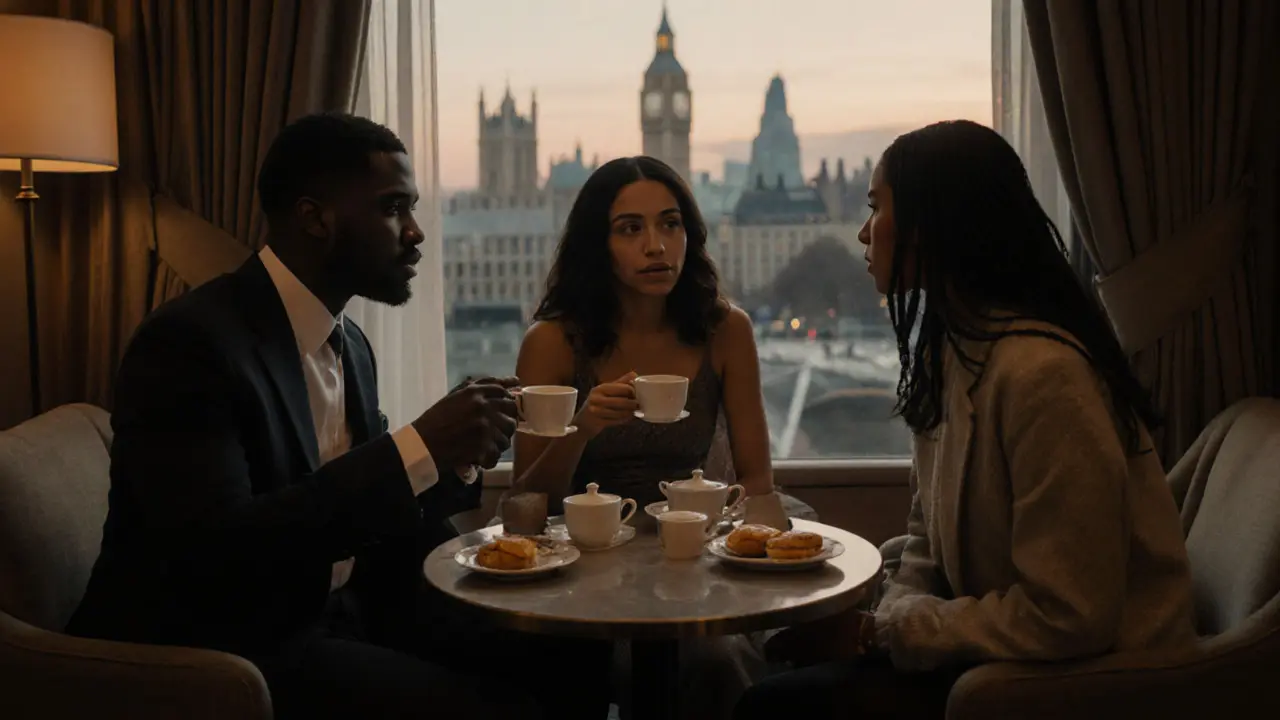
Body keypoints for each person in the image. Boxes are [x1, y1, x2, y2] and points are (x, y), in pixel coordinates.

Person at [68, 112, 611, 719]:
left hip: (345, 612)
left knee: (577, 653)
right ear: (315, 218)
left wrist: (452, 464)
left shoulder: (349, 344)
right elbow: (219, 552)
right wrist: (419, 448)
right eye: (392, 208)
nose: (416, 233)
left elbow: (374, 514)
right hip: (231, 644)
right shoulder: (188, 345)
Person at [734, 120, 1198, 719]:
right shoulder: (954, 353)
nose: (861, 231)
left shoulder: (1044, 379)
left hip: (1081, 684)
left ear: (931, 226)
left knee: (773, 706)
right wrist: (885, 624)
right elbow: (927, 536)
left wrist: (884, 634)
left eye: (876, 208)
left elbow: (1070, 615)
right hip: (995, 658)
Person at [508, 155, 787, 719]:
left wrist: (749, 560)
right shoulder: (554, 341)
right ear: (597, 244)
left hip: (689, 551)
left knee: (709, 665)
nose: (656, 246)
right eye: (630, 229)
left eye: (671, 223)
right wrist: (583, 424)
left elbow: (757, 481)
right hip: (583, 562)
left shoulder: (726, 329)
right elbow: (524, 501)